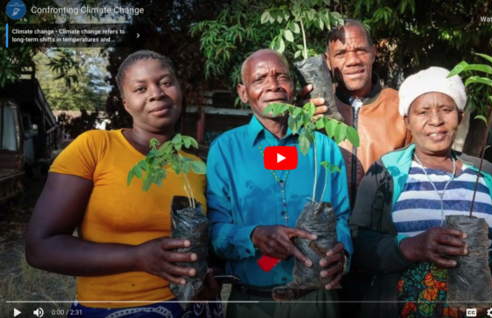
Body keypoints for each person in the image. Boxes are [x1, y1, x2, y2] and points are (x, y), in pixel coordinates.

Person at [25, 50, 223, 318]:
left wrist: (205, 279)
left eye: (165, 82)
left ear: (179, 88)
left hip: (190, 308)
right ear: (126, 103)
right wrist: (137, 257)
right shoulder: (94, 147)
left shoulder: (194, 164)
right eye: (140, 88)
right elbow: (40, 248)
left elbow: (200, 243)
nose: (156, 93)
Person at [350, 67, 492, 317]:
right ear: (407, 120)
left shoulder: (487, 175)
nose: (436, 121)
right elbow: (359, 239)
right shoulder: (385, 172)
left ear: (460, 116)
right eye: (423, 112)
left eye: (446, 110)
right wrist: (409, 247)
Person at [206, 49, 352, 318]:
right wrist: (253, 236)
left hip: (316, 301)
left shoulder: (324, 149)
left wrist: (342, 257)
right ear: (242, 92)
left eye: (281, 76)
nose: (273, 85)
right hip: (252, 304)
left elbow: (342, 218)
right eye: (260, 79)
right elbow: (215, 231)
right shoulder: (225, 150)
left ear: (294, 87)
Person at [301, 19, 412, 206]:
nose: (353, 61)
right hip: (328, 227)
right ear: (327, 61)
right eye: (341, 53)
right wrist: (293, 124)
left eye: (361, 50)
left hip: (386, 230)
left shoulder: (403, 107)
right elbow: (279, 167)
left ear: (374, 53)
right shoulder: (313, 109)